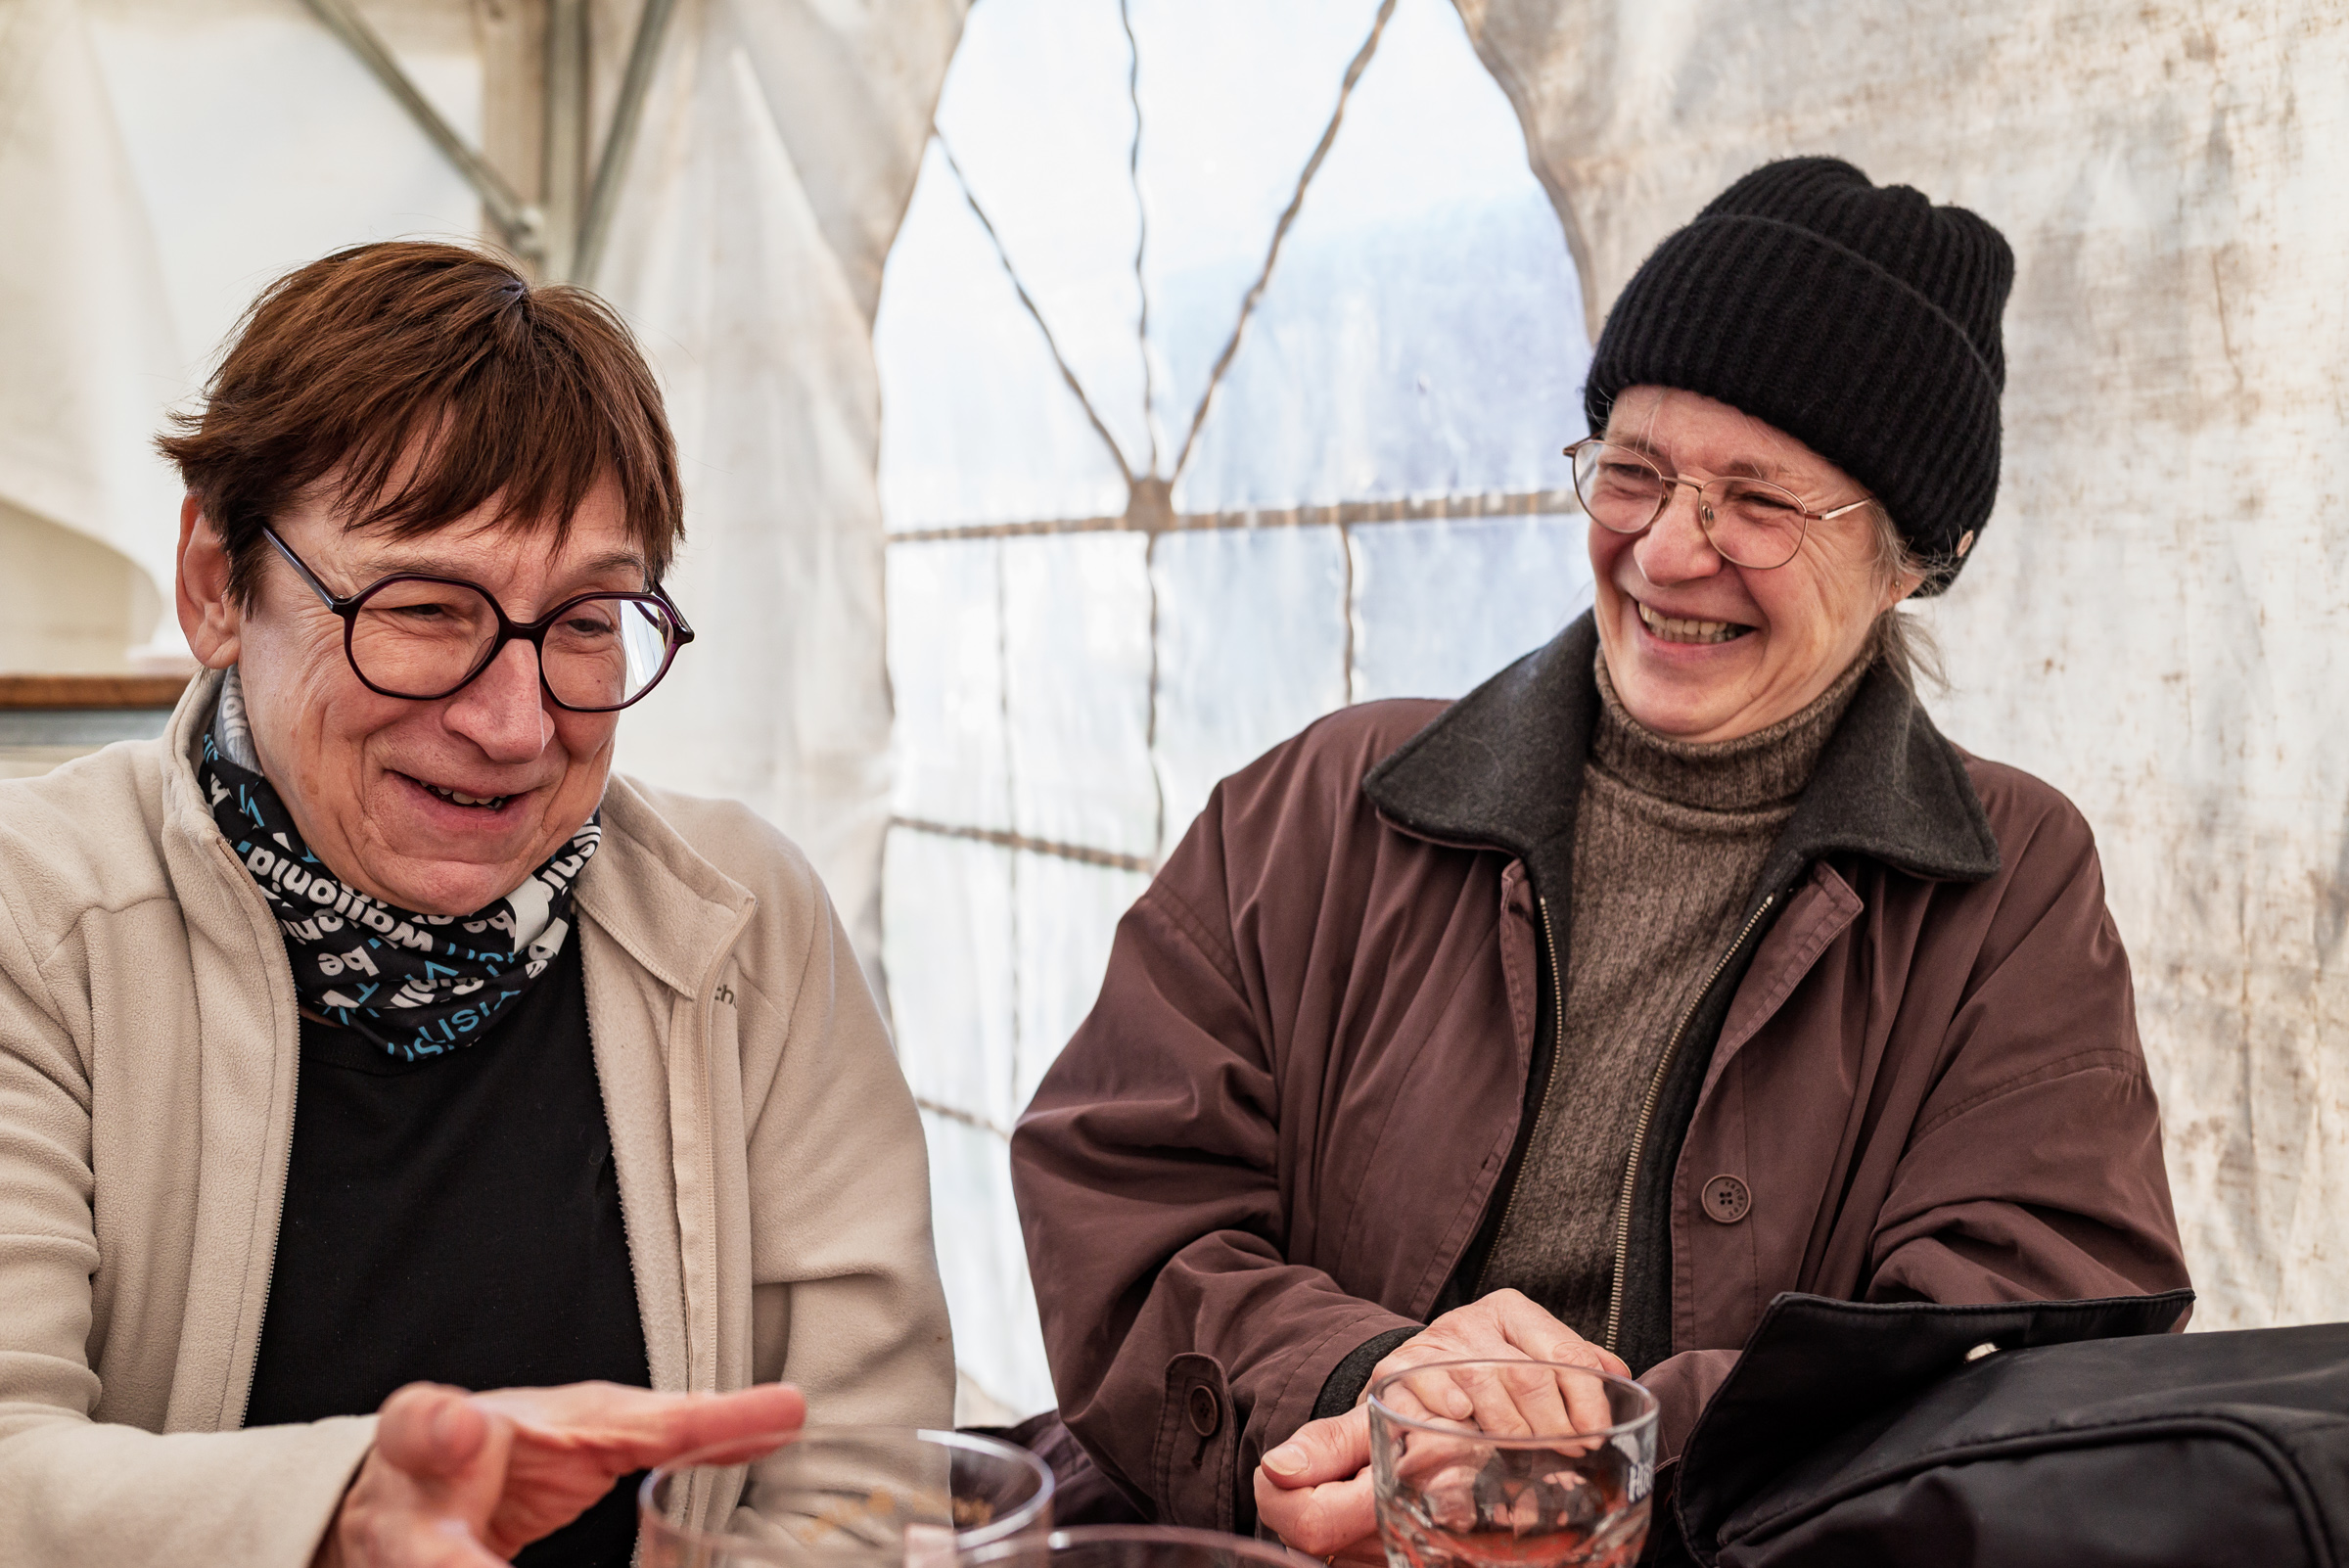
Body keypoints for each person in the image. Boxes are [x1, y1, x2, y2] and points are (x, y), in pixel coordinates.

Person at [1008, 158, 2189, 1554]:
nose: (1668, 554)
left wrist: (1598, 1463)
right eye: (1632, 474)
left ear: (1914, 558)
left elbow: (2025, 1339)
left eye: (1758, 502)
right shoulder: (1331, 804)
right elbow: (1123, 1194)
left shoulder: (2005, 888)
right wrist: (1363, 1388)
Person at [0, 243, 952, 1567]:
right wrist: (338, 1516)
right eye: (427, 608)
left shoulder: (743, 926)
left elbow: (869, 1490)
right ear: (218, 584)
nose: (514, 725)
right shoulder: (36, 923)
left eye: (586, 621)